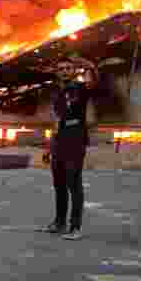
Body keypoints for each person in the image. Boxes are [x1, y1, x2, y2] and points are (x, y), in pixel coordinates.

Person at [45, 67, 98, 241]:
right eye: (62, 68)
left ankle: (75, 227)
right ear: (57, 72)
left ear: (74, 70)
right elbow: (55, 119)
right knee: (58, 183)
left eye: (68, 68)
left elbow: (92, 82)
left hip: (75, 140)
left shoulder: (81, 88)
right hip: (58, 140)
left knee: (73, 183)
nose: (65, 71)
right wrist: (49, 146)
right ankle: (59, 222)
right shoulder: (56, 91)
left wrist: (87, 64)